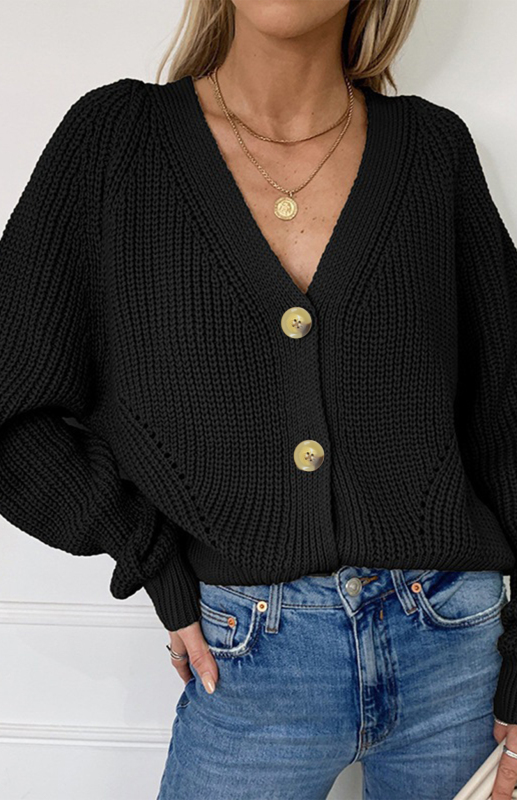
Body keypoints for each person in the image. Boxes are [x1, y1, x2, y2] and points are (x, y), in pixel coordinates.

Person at [2, 0, 517, 797]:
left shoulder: (430, 148)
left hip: (455, 647)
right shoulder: (116, 142)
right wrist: (147, 554)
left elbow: (506, 415)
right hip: (246, 659)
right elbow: (14, 405)